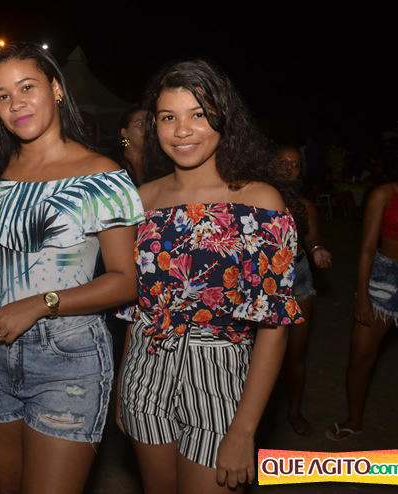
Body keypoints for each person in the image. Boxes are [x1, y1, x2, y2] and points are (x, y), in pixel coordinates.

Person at [0, 42, 143, 494]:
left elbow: (125, 281)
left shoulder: (100, 174)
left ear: (56, 88)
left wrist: (40, 303)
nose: (16, 103)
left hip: (66, 356)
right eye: (2, 95)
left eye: (27, 87)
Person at [116, 60, 303, 493]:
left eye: (197, 114)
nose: (182, 130)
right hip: (146, 370)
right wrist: (126, 386)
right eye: (168, 117)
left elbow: (274, 324)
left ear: (223, 118)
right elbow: (136, 306)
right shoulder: (141, 201)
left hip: (220, 373)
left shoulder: (260, 201)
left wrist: (244, 429)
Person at [326, 130, 398, 441]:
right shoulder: (385, 193)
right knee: (361, 357)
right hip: (384, 282)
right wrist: (363, 297)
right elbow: (367, 249)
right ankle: (354, 421)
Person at [276, 146, 332, 436]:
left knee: (296, 352)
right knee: (255, 352)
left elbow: (313, 239)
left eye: (295, 164)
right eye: (283, 162)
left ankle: (294, 411)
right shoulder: (253, 198)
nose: (289, 168)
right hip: (263, 280)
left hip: (298, 276)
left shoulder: (304, 206)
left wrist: (318, 249)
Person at [111, 106, 148, 185]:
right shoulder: (112, 164)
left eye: (150, 124)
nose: (148, 129)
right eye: (140, 124)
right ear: (125, 133)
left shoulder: (161, 163)